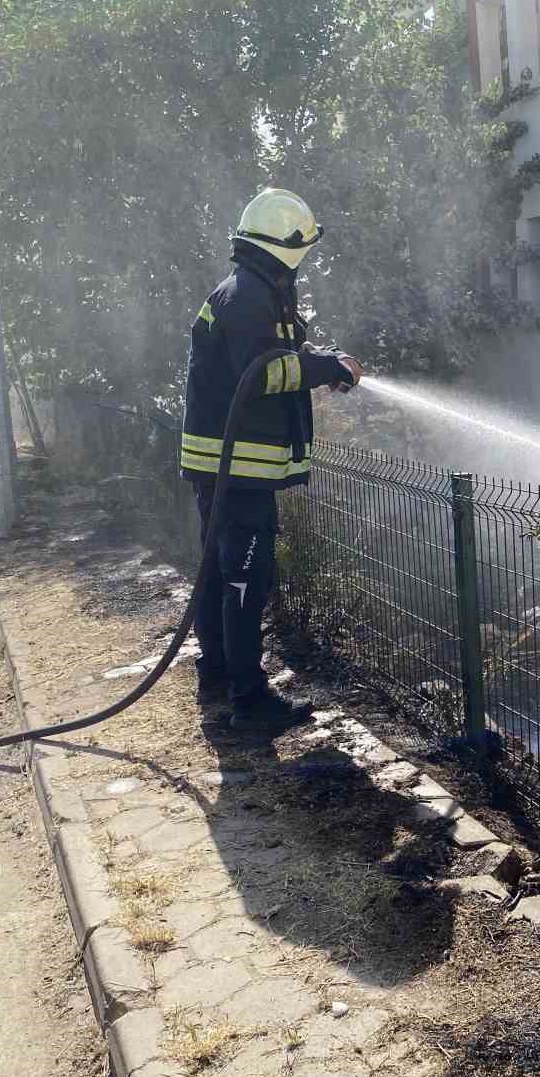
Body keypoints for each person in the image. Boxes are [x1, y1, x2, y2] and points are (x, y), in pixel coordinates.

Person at [180, 188, 363, 733]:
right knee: (244, 581)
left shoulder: (250, 291)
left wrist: (325, 365)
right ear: (286, 247)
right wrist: (325, 368)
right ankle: (250, 701)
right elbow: (262, 373)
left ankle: (218, 677)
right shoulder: (249, 298)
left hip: (228, 468)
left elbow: (274, 357)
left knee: (221, 575)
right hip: (237, 472)